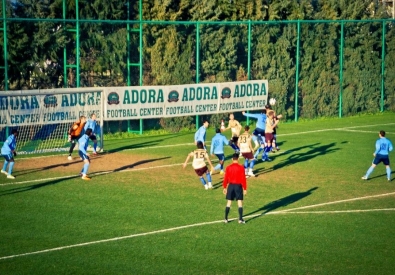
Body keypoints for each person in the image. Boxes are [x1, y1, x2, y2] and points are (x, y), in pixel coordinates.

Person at [222, 153, 247, 224]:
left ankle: (226, 219)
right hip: (238, 186)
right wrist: (245, 189)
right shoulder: (241, 168)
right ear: (238, 159)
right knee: (239, 202)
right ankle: (240, 219)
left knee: (229, 202)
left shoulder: (228, 167)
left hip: (231, 186)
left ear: (232, 159)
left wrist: (224, 187)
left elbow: (226, 178)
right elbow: (243, 179)